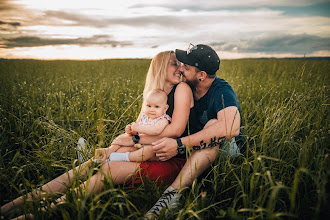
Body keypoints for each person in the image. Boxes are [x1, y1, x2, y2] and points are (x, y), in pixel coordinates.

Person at [0, 50, 194, 218]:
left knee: (107, 169)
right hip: (148, 151)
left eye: (181, 63)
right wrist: (123, 142)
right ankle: (12, 207)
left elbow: (174, 132)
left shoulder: (182, 89)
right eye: (174, 64)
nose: (180, 68)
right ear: (160, 67)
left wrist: (134, 138)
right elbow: (138, 128)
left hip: (169, 159)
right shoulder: (153, 95)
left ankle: (40, 214)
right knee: (92, 162)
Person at [144, 44, 245, 218]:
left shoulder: (221, 90)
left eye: (187, 67)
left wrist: (179, 145)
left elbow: (231, 127)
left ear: (202, 75)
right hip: (193, 148)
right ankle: (101, 161)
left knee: (214, 125)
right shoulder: (187, 87)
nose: (181, 68)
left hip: (227, 153)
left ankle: (171, 196)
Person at [101, 89, 172, 163]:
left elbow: (156, 130)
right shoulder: (144, 117)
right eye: (149, 106)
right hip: (139, 145)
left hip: (153, 149)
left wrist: (139, 128)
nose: (152, 110)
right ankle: (108, 156)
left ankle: (123, 157)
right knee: (123, 146)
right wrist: (132, 130)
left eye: (156, 107)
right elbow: (137, 132)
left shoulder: (163, 119)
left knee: (147, 151)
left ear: (165, 108)